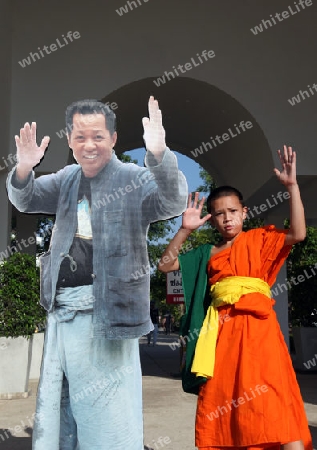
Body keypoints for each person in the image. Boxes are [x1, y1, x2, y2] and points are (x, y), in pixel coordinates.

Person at [7, 96, 188, 450]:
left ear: (114, 139)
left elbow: (172, 201)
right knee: (66, 406)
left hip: (111, 315)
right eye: (80, 137)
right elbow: (25, 200)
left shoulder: (134, 179)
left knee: (109, 414)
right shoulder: (66, 179)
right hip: (64, 313)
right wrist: (25, 169)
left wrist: (160, 155)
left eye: (98, 137)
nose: (88, 145)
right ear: (70, 140)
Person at [158, 146, 312, 450]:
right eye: (219, 214)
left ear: (244, 212)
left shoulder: (260, 240)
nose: (227, 219)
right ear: (212, 220)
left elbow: (298, 233)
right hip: (222, 336)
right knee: (227, 399)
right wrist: (184, 231)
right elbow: (165, 265)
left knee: (274, 395)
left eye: (232, 211)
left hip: (260, 332)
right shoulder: (208, 253)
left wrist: (292, 187)